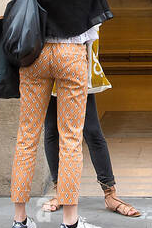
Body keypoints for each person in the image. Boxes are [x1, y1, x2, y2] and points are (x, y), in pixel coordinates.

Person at [10, 0, 129, 228]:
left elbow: (18, 2)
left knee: (26, 136)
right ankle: (70, 225)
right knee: (71, 137)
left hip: (35, 55)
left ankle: (19, 223)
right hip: (71, 53)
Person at [41, 38, 141, 218]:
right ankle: (60, 191)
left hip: (77, 62)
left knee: (92, 130)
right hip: (49, 60)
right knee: (52, 130)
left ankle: (110, 194)